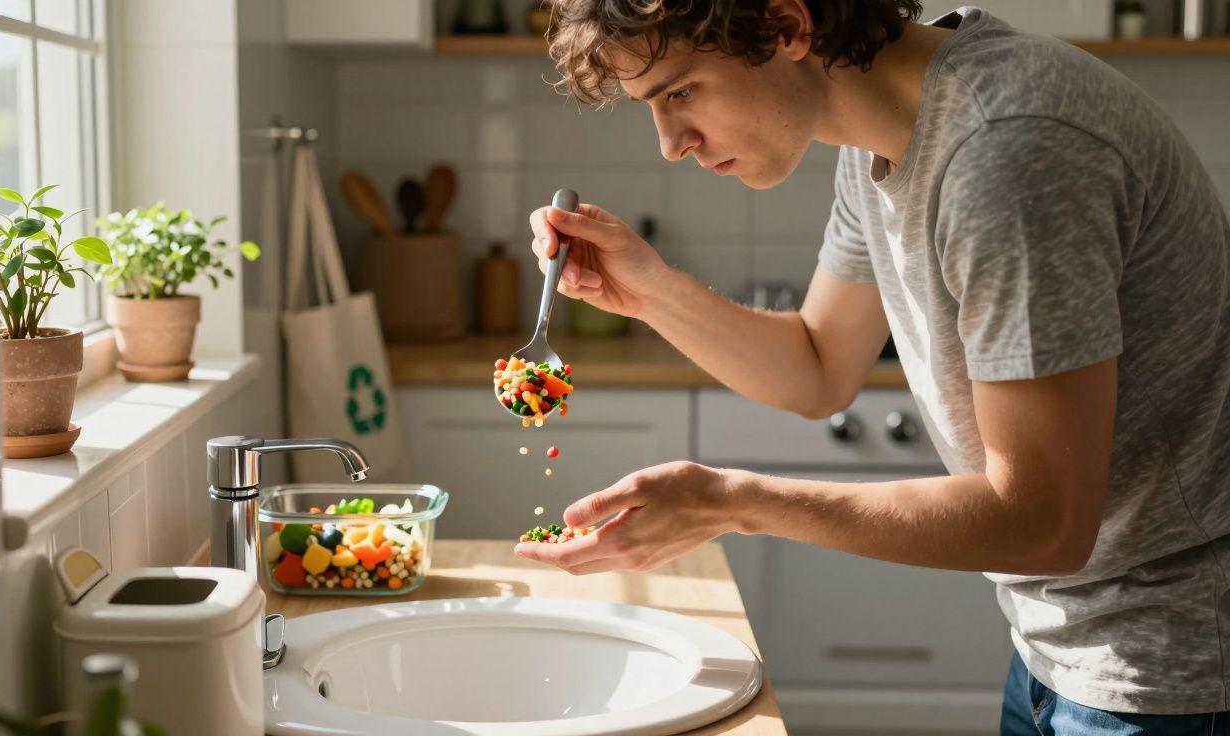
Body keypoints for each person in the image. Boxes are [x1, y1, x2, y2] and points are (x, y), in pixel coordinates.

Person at [513, 1, 1230, 733]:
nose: (670, 142)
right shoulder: (881, 136)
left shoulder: (1006, 148)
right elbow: (818, 366)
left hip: (1174, 666)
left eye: (680, 90)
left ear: (787, 24)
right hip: (1060, 653)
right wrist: (651, 290)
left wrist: (732, 502)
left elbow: (1043, 523)